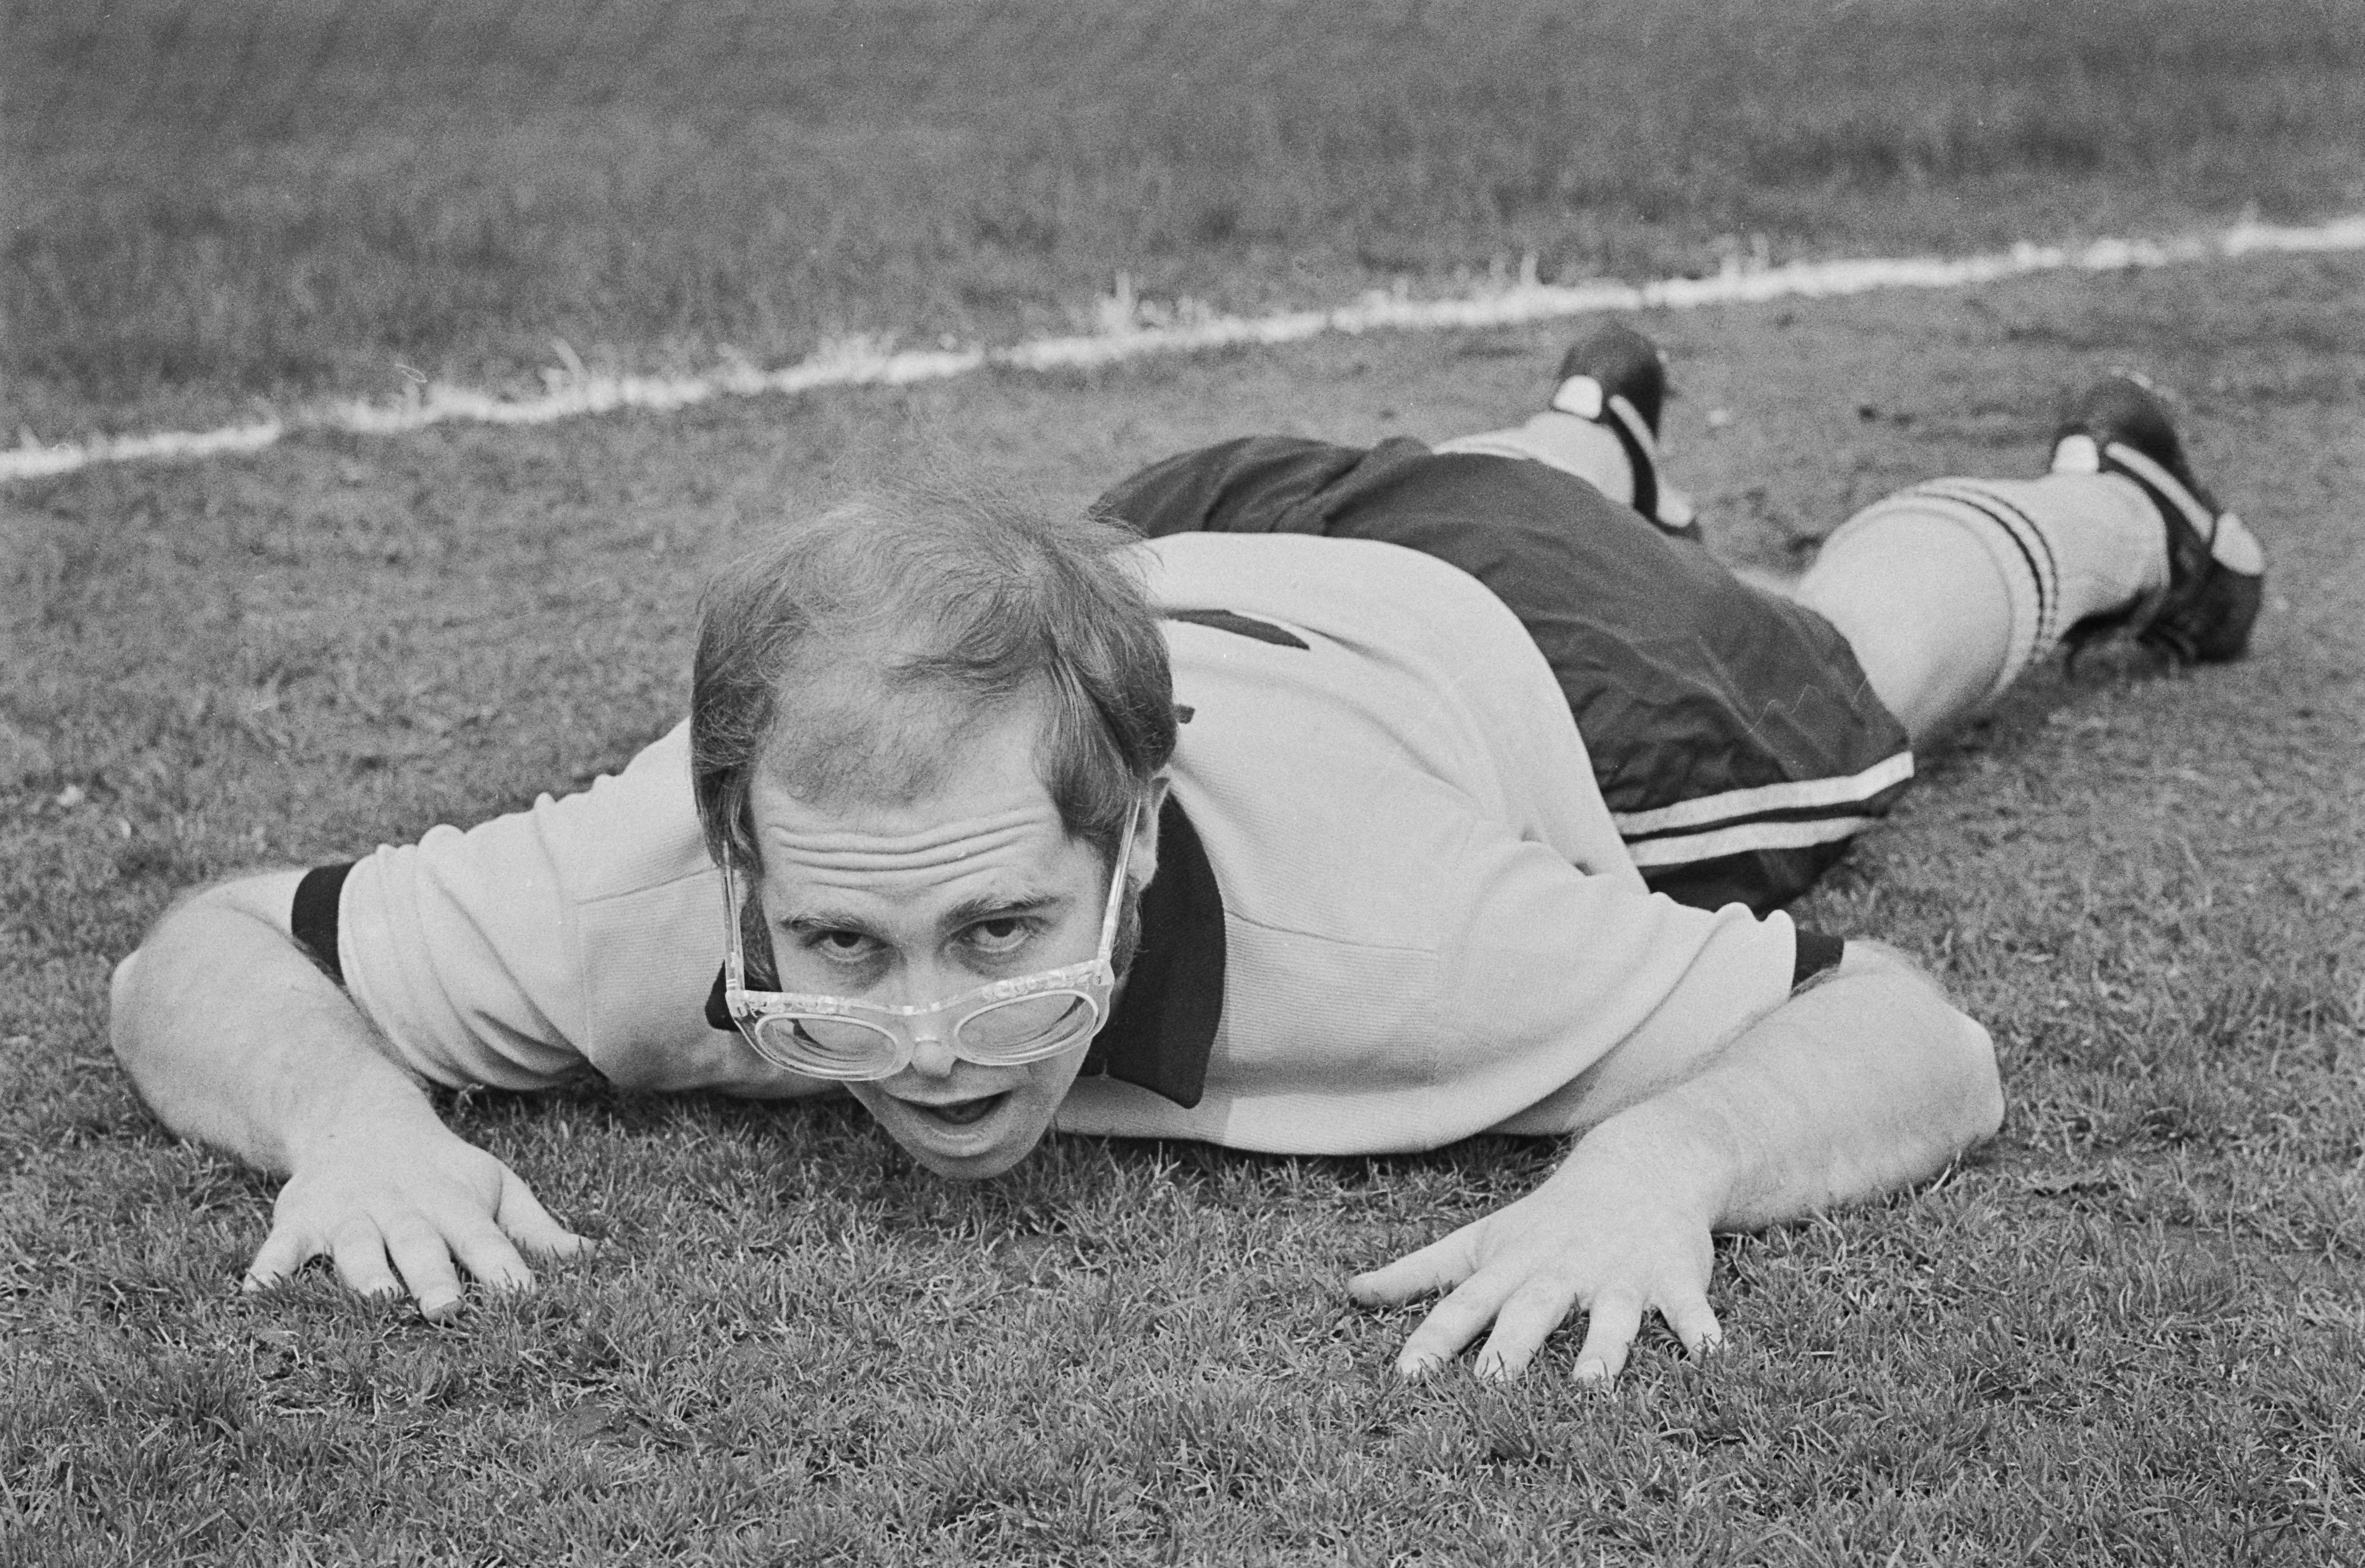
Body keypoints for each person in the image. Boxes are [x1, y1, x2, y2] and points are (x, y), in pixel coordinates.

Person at [109, 324, 2262, 1382]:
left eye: (998, 928)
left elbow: (1917, 1036)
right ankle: (1577, 432)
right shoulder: (648, 876)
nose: (933, 1036)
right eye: (842, 942)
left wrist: (1651, 1162)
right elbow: (203, 947)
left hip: (1501, 649)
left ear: (1133, 842)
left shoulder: (1406, 926)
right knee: (1498, 495)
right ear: (733, 840)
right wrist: (343, 1127)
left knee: (1843, 685)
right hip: (1165, 527)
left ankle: (2117, 512)